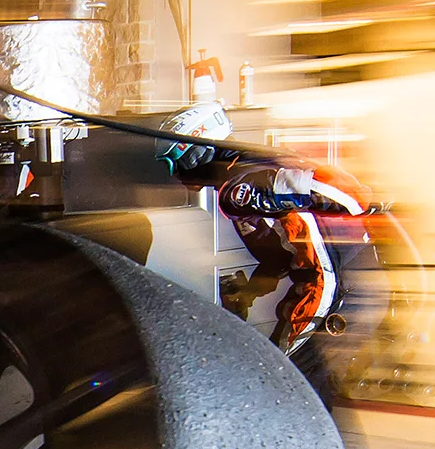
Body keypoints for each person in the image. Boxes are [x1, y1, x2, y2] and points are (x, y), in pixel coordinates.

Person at [157, 100, 373, 356]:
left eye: (174, 163)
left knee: (282, 378)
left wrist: (364, 204)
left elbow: (346, 195)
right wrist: (248, 293)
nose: (175, 175)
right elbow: (280, 258)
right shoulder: (241, 177)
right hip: (346, 282)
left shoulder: (242, 185)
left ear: (194, 153)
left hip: (332, 287)